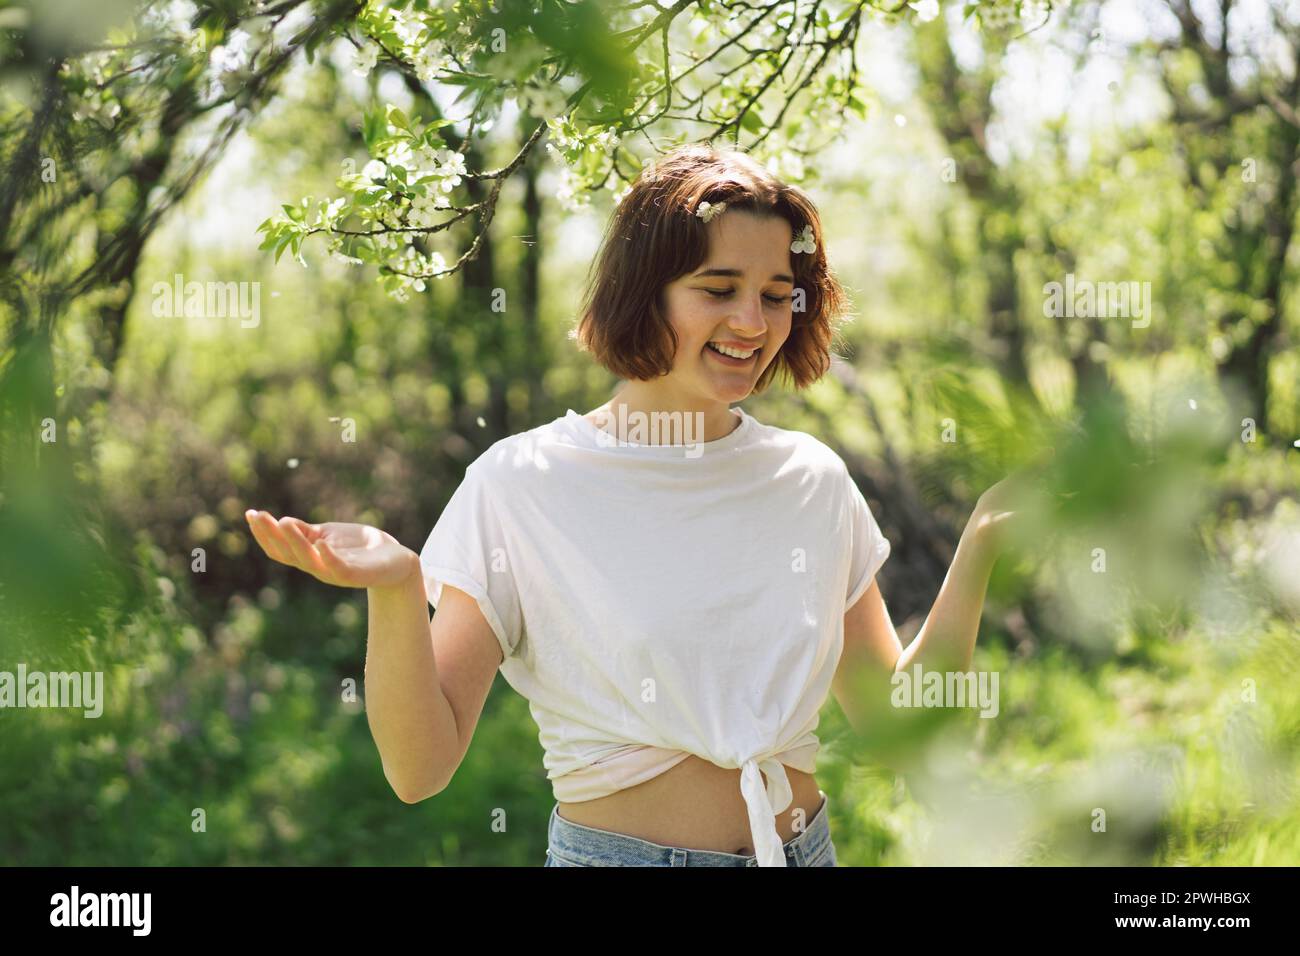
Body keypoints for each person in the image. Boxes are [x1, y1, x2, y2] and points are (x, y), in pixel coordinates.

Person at [244, 143, 1039, 867]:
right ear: (642, 295)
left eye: (776, 294)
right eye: (717, 289)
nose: (751, 323)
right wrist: (395, 590)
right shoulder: (521, 485)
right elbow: (419, 770)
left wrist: (981, 544)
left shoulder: (811, 479)